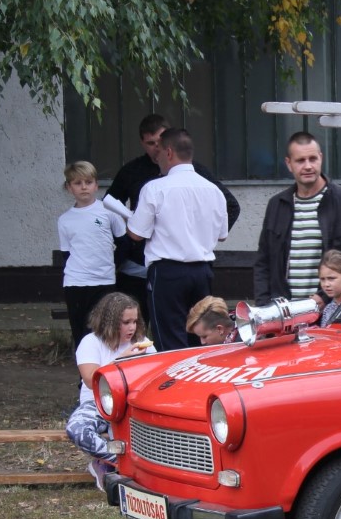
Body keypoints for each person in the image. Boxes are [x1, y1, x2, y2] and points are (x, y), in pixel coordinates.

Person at [106, 114, 241, 317]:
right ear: (142, 143)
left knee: (184, 328)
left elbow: (231, 207)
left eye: (160, 143)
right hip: (145, 263)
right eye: (150, 143)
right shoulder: (133, 172)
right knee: (141, 326)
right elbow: (109, 207)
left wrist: (202, 237)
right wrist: (124, 244)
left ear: (169, 148)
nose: (156, 149)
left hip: (177, 265)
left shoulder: (193, 177)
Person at [127, 128, 229, 351]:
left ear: (169, 152)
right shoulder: (213, 190)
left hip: (168, 272)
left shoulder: (155, 188)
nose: (157, 158)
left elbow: (136, 233)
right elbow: (222, 235)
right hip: (202, 271)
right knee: (201, 337)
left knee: (170, 340)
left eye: (159, 152)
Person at [254, 131, 341, 307]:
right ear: (289, 164)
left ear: (321, 158)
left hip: (329, 310)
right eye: (300, 160)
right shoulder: (277, 205)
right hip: (283, 311)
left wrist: (325, 297)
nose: (308, 166)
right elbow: (263, 261)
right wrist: (264, 306)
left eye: (313, 159)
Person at [65, 292, 154, 489]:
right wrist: (121, 361)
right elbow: (91, 380)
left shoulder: (142, 342)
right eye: (126, 322)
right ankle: (112, 461)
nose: (132, 327)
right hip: (97, 404)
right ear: (110, 322)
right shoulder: (91, 342)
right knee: (77, 429)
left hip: (130, 406)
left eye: (135, 321)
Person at [57, 160, 124, 349]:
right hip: (75, 283)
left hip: (104, 281)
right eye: (78, 183)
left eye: (88, 182)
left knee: (103, 331)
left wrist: (112, 265)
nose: (84, 187)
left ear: (96, 185)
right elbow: (66, 253)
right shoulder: (65, 220)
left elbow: (124, 243)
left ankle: (104, 367)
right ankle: (84, 368)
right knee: (80, 332)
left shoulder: (108, 212)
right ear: (69, 187)